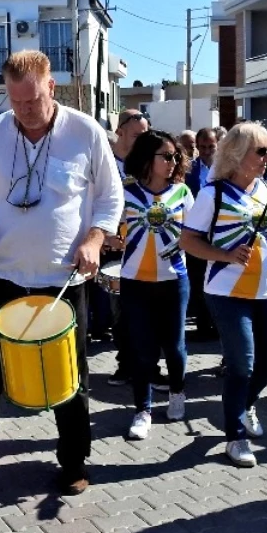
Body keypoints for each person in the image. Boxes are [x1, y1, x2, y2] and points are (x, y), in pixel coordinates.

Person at [0, 51, 121, 516]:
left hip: (62, 279)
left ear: (50, 87)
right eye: (15, 102)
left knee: (69, 379)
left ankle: (74, 461)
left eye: (32, 101)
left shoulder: (85, 132)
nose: (24, 111)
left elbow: (110, 198)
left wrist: (95, 239)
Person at [180, 122, 267, 467]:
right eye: (262, 151)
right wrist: (226, 255)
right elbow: (188, 241)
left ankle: (243, 405)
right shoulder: (214, 194)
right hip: (226, 291)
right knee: (242, 364)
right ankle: (234, 435)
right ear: (238, 154)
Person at [119, 130, 193, 440]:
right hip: (134, 281)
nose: (173, 161)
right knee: (141, 351)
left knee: (175, 348)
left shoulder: (184, 193)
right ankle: (143, 409)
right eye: (166, 156)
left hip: (174, 280)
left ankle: (177, 393)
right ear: (147, 158)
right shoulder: (124, 192)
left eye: (176, 156)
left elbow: (196, 235)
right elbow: (111, 230)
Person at [102, 109, 153, 386]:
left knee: (148, 310)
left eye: (146, 134)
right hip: (116, 247)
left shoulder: (149, 164)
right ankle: (125, 364)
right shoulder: (104, 163)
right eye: (137, 135)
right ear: (120, 131)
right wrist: (104, 235)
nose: (143, 140)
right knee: (120, 311)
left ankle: (150, 366)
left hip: (147, 244)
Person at [185, 127, 220, 341]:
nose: (207, 150)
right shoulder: (189, 170)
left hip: (219, 233)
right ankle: (202, 325)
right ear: (197, 147)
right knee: (198, 281)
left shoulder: (225, 170)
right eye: (203, 146)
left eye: (211, 146)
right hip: (197, 234)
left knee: (217, 279)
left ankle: (218, 324)